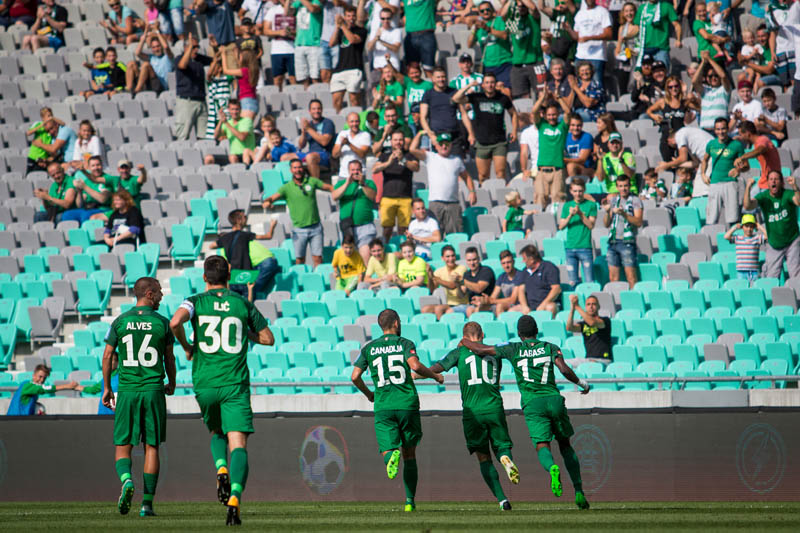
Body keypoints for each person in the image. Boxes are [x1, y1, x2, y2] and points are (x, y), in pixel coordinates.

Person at [169, 255, 274, 526]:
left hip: (205, 383)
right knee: (238, 442)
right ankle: (235, 498)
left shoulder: (194, 301)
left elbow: (174, 323)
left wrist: (187, 346)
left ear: (205, 277)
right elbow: (268, 338)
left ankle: (221, 467)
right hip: (234, 384)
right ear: (229, 276)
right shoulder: (242, 303)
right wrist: (246, 333)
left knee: (217, 432)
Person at [460, 315, 591, 510]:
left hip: (533, 404)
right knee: (565, 444)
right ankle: (579, 490)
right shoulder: (550, 347)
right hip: (554, 399)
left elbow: (480, 349)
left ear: (519, 334)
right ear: (536, 331)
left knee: (542, 445)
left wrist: (464, 341)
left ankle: (551, 467)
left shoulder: (513, 348)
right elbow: (564, 369)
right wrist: (582, 383)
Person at [352, 308, 443, 511]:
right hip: (406, 403)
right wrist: (435, 376)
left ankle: (390, 457)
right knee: (410, 454)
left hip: (383, 405)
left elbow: (355, 376)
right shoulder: (404, 343)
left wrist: (369, 394)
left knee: (388, 448)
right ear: (396, 323)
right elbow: (415, 366)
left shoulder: (369, 348)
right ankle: (410, 502)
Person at [421, 322, 519, 510]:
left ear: (464, 337)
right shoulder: (494, 352)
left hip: (472, 411)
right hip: (494, 407)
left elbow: (435, 369)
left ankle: (502, 500)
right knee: (502, 447)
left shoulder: (458, 353)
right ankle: (505, 459)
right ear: (482, 335)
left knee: (483, 457)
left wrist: (415, 375)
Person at [101, 277, 175, 517]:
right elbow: (169, 358)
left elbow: (107, 355)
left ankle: (127, 480)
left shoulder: (120, 321)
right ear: (150, 294)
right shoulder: (162, 323)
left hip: (128, 390)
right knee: (152, 446)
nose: (162, 295)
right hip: (153, 390)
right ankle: (147, 505)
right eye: (159, 292)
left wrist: (107, 387)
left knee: (123, 445)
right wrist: (172, 382)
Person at [262, 159, 334, 266]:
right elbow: (271, 198)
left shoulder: (312, 181)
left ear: (303, 168)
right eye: (295, 168)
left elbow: (330, 187)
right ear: (291, 170)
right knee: (300, 260)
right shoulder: (286, 188)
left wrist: (342, 192)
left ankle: (317, 276)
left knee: (318, 258)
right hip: (299, 230)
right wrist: (267, 203)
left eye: (300, 167)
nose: (298, 170)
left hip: (316, 227)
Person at [453, 73, 518, 183]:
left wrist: (514, 131)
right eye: (487, 82)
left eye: (492, 82)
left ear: (495, 84)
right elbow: (456, 98)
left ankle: (500, 192)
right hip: (482, 142)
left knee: (500, 173)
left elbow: (514, 113)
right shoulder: (476, 97)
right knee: (483, 176)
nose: (489, 85)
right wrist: (469, 86)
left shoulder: (503, 98)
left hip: (499, 142)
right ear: (483, 85)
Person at [408, 131, 475, 235]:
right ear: (436, 145)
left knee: (456, 235)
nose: (444, 146)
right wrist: (420, 134)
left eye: (447, 143)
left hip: (453, 203)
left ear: (451, 145)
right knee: (435, 235)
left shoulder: (457, 160)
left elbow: (467, 177)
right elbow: (412, 149)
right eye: (441, 144)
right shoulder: (430, 157)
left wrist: (472, 192)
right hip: (435, 203)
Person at [208, 209, 281, 301]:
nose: (246, 219)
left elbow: (211, 246)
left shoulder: (225, 238)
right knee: (248, 305)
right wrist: (272, 226)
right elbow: (268, 236)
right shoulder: (245, 235)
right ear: (239, 221)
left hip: (233, 277)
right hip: (246, 276)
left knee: (233, 304)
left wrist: (223, 242)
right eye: (244, 217)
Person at [743, 172, 800, 279]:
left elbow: (798, 202)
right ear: (767, 183)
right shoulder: (764, 197)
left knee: (796, 276)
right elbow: (747, 206)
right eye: (771, 179)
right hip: (774, 244)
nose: (773, 181)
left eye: (776, 179)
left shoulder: (787, 194)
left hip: (792, 241)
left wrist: (794, 186)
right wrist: (748, 188)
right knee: (772, 277)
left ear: (782, 183)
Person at [374, 130, 419, 242]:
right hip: (387, 197)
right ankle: (386, 248)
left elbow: (416, 167)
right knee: (387, 228)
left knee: (404, 229)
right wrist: (388, 163)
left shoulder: (409, 154)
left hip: (405, 198)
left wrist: (403, 160)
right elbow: (375, 169)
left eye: (400, 140)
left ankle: (403, 248)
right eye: (395, 140)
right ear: (391, 141)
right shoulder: (385, 155)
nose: (398, 142)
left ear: (404, 141)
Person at [332, 159, 378, 265]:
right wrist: (347, 183)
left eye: (358, 170)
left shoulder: (369, 183)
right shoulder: (341, 184)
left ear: (362, 170)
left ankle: (365, 275)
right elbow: (334, 196)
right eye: (353, 170)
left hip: (365, 227)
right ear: (348, 171)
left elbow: (372, 196)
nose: (355, 172)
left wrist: (363, 184)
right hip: (348, 227)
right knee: (350, 260)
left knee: (365, 257)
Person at [701, 118, 744, 227]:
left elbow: (745, 164)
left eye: (723, 129)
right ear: (715, 130)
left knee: (732, 217)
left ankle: (732, 236)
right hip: (715, 182)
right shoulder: (711, 144)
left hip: (730, 182)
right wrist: (703, 174)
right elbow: (705, 160)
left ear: (728, 129)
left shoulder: (736, 145)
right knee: (711, 217)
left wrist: (738, 170)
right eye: (718, 129)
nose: (721, 132)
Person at [602, 174, 642, 288]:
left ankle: (634, 297)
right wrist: (607, 212)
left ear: (629, 186)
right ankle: (616, 298)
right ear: (617, 187)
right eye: (620, 186)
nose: (623, 189)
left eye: (625, 186)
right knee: (613, 278)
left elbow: (638, 222)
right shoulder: (614, 200)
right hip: (613, 241)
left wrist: (624, 214)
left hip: (627, 242)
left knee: (631, 277)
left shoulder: (636, 200)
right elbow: (606, 224)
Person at [531, 92, 570, 208]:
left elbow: (568, 112)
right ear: (545, 115)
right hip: (542, 170)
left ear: (558, 114)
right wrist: (542, 98)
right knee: (539, 198)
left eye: (554, 114)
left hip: (557, 170)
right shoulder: (542, 125)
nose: (551, 117)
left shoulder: (562, 126)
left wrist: (559, 98)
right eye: (549, 115)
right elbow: (534, 111)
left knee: (557, 199)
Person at [420, 67, 467, 158]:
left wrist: (471, 134)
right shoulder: (428, 95)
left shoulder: (454, 92)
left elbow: (464, 114)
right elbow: (423, 118)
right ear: (433, 79)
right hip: (437, 136)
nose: (441, 79)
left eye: (443, 77)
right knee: (439, 164)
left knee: (457, 163)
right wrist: (431, 135)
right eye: (438, 77)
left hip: (454, 136)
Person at [564, 0, 611, 86]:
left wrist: (589, 38)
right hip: (580, 56)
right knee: (580, 85)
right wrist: (569, 30)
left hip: (597, 56)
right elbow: (577, 37)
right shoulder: (580, 14)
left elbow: (608, 34)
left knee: (595, 85)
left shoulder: (603, 12)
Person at [329, 4, 367, 112]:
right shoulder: (341, 30)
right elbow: (331, 43)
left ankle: (356, 119)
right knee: (336, 101)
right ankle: (339, 119)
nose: (351, 18)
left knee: (354, 100)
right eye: (348, 16)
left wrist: (343, 26)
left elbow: (352, 40)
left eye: (353, 16)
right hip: (340, 69)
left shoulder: (361, 30)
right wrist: (337, 27)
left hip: (354, 68)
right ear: (345, 17)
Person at [559, 178, 596, 286]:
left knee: (589, 281)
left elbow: (590, 225)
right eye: (575, 191)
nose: (578, 194)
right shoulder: (567, 205)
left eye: (580, 191)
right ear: (571, 191)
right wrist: (570, 215)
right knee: (572, 282)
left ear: (584, 190)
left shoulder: (591, 205)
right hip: (570, 248)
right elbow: (561, 226)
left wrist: (580, 213)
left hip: (585, 247)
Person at [469, 2, 513, 93]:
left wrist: (487, 29)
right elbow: (469, 44)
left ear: (492, 10)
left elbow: (504, 35)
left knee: (505, 91)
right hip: (488, 66)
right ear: (479, 13)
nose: (485, 12)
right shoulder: (479, 26)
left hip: (504, 63)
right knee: (490, 93)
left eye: (487, 9)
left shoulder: (500, 20)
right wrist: (474, 31)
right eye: (482, 11)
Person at [175, 35, 213, 140]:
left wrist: (214, 48)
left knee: (204, 137)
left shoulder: (199, 59)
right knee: (182, 136)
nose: (196, 50)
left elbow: (214, 61)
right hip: (186, 101)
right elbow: (182, 65)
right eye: (193, 47)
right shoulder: (179, 58)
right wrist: (189, 49)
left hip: (201, 101)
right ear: (185, 48)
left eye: (197, 47)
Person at [6, 364, 80, 416]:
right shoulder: (27, 385)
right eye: (40, 376)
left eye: (44, 378)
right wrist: (68, 386)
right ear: (34, 375)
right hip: (14, 421)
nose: (42, 380)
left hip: (21, 421)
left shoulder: (31, 388)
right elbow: (45, 389)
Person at [506, 0, 544, 100]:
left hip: (536, 62)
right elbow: (502, 14)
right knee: (522, 98)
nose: (521, 8)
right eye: (518, 6)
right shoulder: (512, 20)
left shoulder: (533, 18)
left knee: (542, 94)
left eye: (523, 6)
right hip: (518, 64)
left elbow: (533, 8)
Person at [734, 121, 781, 197]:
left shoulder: (763, 140)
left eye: (741, 134)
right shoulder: (756, 143)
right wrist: (738, 169)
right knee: (747, 203)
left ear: (748, 134)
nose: (740, 137)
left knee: (750, 203)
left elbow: (760, 150)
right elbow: (747, 167)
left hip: (770, 184)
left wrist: (742, 157)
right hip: (763, 182)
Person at [61, 156, 112, 224]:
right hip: (88, 209)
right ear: (89, 168)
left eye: (98, 165)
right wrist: (79, 192)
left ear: (102, 166)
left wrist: (84, 187)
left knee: (86, 215)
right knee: (67, 215)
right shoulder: (87, 180)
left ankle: (86, 230)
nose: (96, 168)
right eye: (93, 166)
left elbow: (103, 199)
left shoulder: (107, 179)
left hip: (103, 209)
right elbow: (79, 205)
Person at [633, 0, 681, 72]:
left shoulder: (666, 6)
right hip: (644, 48)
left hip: (661, 48)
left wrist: (678, 39)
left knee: (662, 74)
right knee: (642, 75)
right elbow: (636, 27)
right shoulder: (642, 8)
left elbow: (677, 25)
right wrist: (624, 37)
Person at [421, 244, 468, 318]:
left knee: (439, 309)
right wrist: (429, 277)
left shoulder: (462, 268)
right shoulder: (440, 270)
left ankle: (442, 325)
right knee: (425, 309)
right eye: (448, 256)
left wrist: (434, 277)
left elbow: (452, 285)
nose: (451, 259)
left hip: (463, 304)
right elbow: (432, 289)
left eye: (453, 256)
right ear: (442, 258)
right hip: (449, 304)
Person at [565, 294, 612, 365]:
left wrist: (577, 306)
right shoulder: (583, 324)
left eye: (594, 304)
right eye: (588, 304)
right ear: (586, 307)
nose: (591, 306)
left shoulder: (605, 320)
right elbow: (569, 328)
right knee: (562, 363)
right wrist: (572, 308)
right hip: (588, 359)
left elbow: (592, 323)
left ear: (599, 306)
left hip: (603, 360)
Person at [206, 99, 256, 165]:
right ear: (229, 110)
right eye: (232, 109)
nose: (234, 112)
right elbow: (216, 136)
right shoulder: (228, 122)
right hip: (233, 156)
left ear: (240, 109)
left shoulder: (247, 121)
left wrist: (226, 123)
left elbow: (242, 137)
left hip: (246, 155)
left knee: (232, 157)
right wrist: (221, 121)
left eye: (237, 109)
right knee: (209, 158)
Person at [691, 52, 731, 133]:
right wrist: (703, 62)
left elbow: (723, 76)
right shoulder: (704, 90)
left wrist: (709, 59)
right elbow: (694, 81)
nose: (713, 78)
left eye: (716, 75)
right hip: (704, 130)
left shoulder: (724, 90)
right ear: (707, 78)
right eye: (710, 76)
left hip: (719, 131)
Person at [518, 244, 561, 317]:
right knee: (512, 311)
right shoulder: (525, 271)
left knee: (550, 307)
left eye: (524, 259)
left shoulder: (549, 268)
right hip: (530, 306)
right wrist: (524, 306)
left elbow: (556, 289)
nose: (523, 261)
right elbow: (521, 290)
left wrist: (543, 304)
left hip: (547, 303)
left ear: (532, 259)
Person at [723, 214, 767, 283]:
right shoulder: (738, 238)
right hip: (741, 271)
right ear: (742, 227)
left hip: (753, 271)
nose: (749, 229)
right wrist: (734, 228)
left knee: (753, 288)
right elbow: (726, 236)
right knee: (742, 287)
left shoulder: (756, 238)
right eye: (746, 226)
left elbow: (767, 236)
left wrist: (760, 227)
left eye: (751, 226)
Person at [297, 99, 336, 178]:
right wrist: (303, 131)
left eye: (319, 108)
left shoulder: (327, 123)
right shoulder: (309, 124)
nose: (316, 111)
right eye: (314, 109)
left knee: (310, 157)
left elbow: (324, 142)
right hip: (310, 153)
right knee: (285, 157)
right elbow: (301, 146)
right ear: (309, 111)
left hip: (325, 155)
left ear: (322, 110)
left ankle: (315, 183)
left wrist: (308, 129)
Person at [263, 0, 296, 90]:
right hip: (277, 51)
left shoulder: (295, 8)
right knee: (278, 79)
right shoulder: (273, 10)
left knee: (293, 79)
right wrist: (279, 32)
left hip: (293, 50)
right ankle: (278, 97)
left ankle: (295, 98)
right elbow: (265, 30)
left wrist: (292, 32)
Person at [291, 0, 323, 88]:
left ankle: (318, 95)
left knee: (315, 76)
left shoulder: (316, 2)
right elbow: (287, 13)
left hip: (314, 44)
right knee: (302, 78)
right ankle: (306, 95)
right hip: (299, 44)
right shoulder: (298, 3)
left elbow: (312, 9)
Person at [402, 0, 437, 77]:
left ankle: (430, 85)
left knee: (428, 70)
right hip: (410, 36)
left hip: (426, 35)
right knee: (412, 70)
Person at [333, 112, 371, 181]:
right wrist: (341, 145)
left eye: (356, 121)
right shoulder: (342, 134)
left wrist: (348, 144)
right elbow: (334, 155)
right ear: (347, 123)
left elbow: (362, 154)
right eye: (352, 122)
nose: (354, 124)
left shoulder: (365, 135)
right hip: (344, 174)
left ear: (360, 122)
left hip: (359, 174)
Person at [595, 132, 636, 197]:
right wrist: (600, 160)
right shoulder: (605, 158)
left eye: (617, 143)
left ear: (621, 144)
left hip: (628, 192)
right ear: (608, 144)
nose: (615, 145)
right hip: (610, 192)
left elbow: (629, 175)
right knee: (586, 196)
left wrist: (621, 160)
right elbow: (600, 178)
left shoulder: (628, 156)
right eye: (612, 143)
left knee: (610, 198)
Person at [367, 7, 402, 82]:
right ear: (380, 19)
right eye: (383, 18)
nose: (385, 21)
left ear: (392, 18)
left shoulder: (397, 31)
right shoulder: (375, 31)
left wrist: (380, 40)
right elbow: (369, 48)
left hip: (392, 68)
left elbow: (396, 48)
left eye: (388, 18)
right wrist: (375, 38)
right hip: (378, 69)